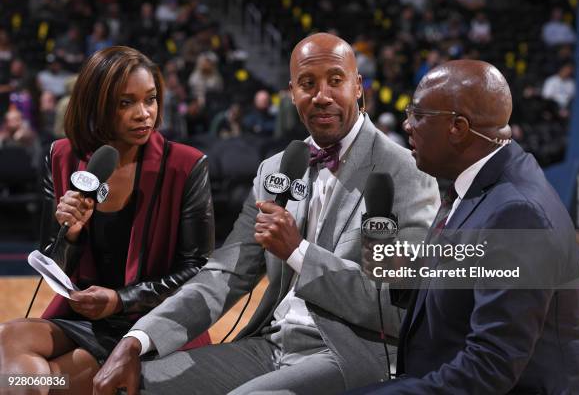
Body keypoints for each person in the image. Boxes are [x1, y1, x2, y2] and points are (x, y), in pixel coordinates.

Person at [92, 33, 439, 395]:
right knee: (138, 383)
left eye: (335, 80)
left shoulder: (404, 173)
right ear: (292, 93)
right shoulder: (275, 170)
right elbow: (224, 274)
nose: (321, 96)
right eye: (308, 84)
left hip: (351, 351)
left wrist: (298, 252)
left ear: (357, 86)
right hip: (273, 344)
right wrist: (137, 340)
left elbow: (397, 303)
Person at [350, 60, 579, 393]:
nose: (406, 125)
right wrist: (404, 273)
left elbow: (490, 366)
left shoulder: (517, 214)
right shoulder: (479, 180)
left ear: (458, 128)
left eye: (418, 115)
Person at [0, 46, 214, 395]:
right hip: (84, 315)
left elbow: (199, 271)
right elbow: (52, 266)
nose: (143, 114)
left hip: (150, 320)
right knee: (8, 338)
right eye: (125, 103)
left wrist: (120, 299)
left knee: (44, 378)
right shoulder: (61, 157)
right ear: (95, 105)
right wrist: (68, 234)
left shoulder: (186, 165)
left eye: (151, 99)